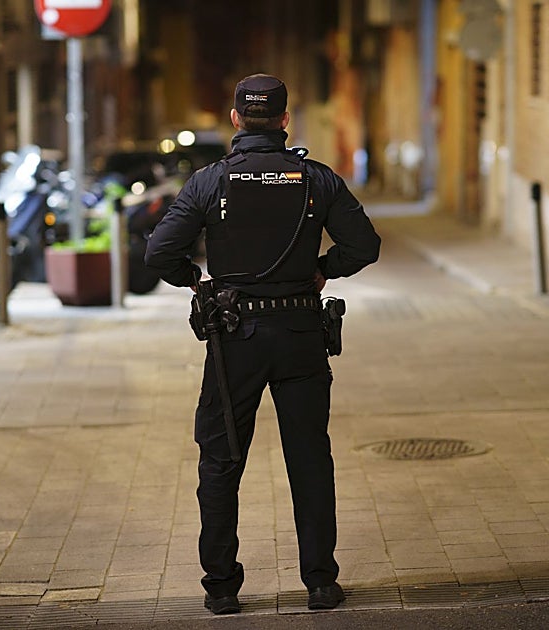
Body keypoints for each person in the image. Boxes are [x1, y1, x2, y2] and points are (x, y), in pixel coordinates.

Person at [145, 73, 380, 615]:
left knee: (222, 460)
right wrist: (322, 271)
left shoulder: (211, 182)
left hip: (234, 341)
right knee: (309, 457)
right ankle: (320, 582)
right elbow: (364, 245)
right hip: (300, 334)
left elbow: (159, 253)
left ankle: (222, 588)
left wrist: (194, 280)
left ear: (234, 119)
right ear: (284, 120)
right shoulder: (316, 179)